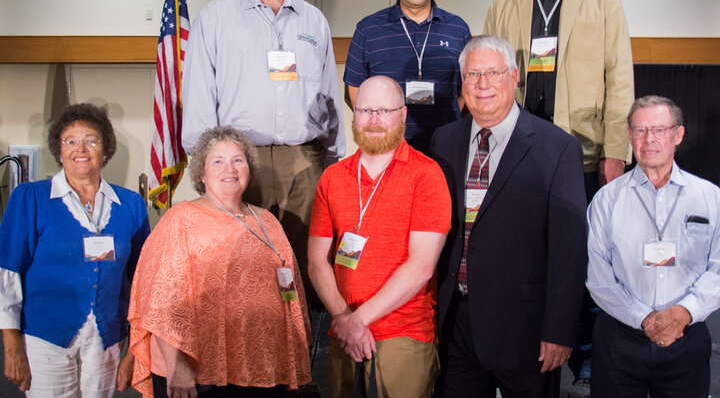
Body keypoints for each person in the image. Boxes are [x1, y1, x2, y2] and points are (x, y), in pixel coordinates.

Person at [483, 0, 635, 391]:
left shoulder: (604, 0)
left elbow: (622, 82)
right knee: (528, 253)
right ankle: (527, 341)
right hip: (519, 151)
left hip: (582, 150)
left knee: (582, 255)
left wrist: (617, 150)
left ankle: (585, 353)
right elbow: (486, 74)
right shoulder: (505, 3)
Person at [181, 0, 345, 294]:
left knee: (302, 268)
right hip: (240, 161)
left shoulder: (313, 20)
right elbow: (199, 98)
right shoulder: (216, 17)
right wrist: (208, 166)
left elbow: (329, 98)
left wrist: (334, 163)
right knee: (241, 268)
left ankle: (301, 348)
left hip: (304, 163)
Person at [429, 36, 587, 398]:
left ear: (514, 76)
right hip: (456, 324)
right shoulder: (444, 140)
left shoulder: (557, 148)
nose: (482, 85)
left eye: (493, 73)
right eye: (472, 75)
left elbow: (570, 251)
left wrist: (560, 331)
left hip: (526, 330)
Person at [129, 126, 312, 397]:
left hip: (266, 368)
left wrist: (294, 357)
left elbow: (291, 292)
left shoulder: (268, 221)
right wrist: (175, 364)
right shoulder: (180, 220)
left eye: (238, 160)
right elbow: (160, 301)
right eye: (218, 161)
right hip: (200, 373)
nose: (230, 169)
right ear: (201, 174)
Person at [308, 76, 451, 397]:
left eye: (384, 111)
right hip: (341, 330)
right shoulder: (332, 178)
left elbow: (421, 266)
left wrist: (358, 321)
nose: (373, 120)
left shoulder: (426, 175)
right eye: (365, 110)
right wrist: (344, 319)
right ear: (354, 114)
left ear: (402, 114)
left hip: (402, 331)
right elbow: (317, 260)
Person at [0, 103, 150, 396]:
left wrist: (135, 351)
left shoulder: (131, 204)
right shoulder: (30, 198)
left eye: (91, 140)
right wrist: (12, 347)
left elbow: (144, 283)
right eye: (70, 141)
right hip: (46, 339)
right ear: (59, 150)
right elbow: (8, 274)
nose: (81, 148)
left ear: (105, 149)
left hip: (106, 340)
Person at [586, 95, 720, 398]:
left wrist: (684, 313)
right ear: (630, 135)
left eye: (659, 130)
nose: (649, 140)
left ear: (678, 134)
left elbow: (719, 268)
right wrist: (644, 318)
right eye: (640, 130)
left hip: (686, 339)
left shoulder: (710, 198)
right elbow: (598, 278)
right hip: (620, 340)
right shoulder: (607, 200)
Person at [344, 0, 472, 154]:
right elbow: (355, 90)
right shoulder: (368, 29)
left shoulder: (457, 29)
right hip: (387, 151)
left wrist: (443, 123)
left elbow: (466, 89)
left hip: (446, 149)